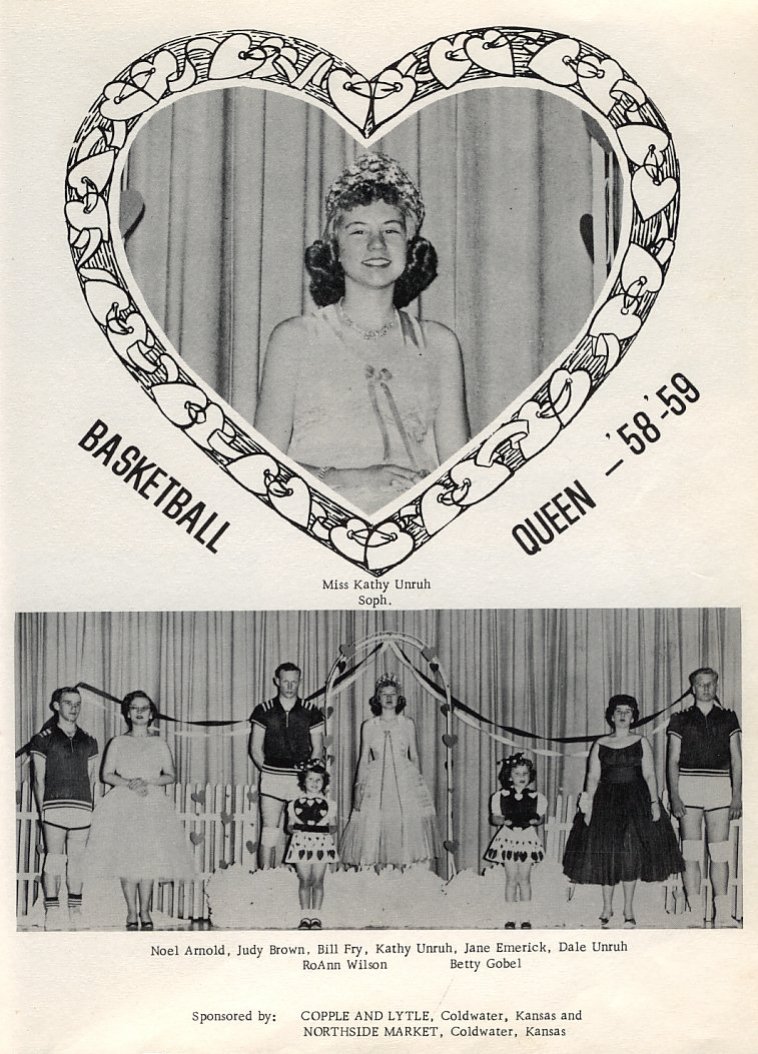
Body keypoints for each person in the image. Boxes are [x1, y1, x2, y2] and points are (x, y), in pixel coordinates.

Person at [254, 152, 470, 514]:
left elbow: (459, 476)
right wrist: (353, 479)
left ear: (410, 246)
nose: (377, 245)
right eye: (359, 231)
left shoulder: (439, 344)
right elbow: (259, 470)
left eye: (390, 230)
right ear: (335, 249)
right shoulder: (294, 339)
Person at [562, 694, 683, 928]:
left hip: (635, 802)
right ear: (611, 715)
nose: (623, 715)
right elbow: (593, 776)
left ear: (634, 716)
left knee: (629, 855)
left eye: (628, 711)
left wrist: (654, 803)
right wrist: (587, 807)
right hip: (606, 803)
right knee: (608, 853)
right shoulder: (600, 744)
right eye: (618, 711)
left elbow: (649, 774)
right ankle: (607, 907)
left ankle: (628, 909)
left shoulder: (641, 741)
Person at [84, 691, 195, 930]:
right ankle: (131, 912)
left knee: (148, 858)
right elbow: (106, 774)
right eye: (135, 707)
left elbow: (171, 775)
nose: (140, 712)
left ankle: (145, 911)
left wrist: (148, 782)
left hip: (152, 803)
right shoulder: (118, 742)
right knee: (127, 857)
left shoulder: (159, 743)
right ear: (127, 712)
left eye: (144, 708)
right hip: (124, 803)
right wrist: (130, 783)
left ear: (151, 713)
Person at [340, 673, 440, 869]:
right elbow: (363, 758)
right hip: (376, 780)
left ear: (399, 698)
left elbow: (415, 756)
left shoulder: (407, 723)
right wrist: (358, 788)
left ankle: (404, 869)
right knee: (375, 820)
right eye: (384, 694)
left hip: (404, 780)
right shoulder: (369, 726)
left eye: (392, 694)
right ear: (377, 698)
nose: (388, 698)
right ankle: (375, 871)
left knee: (404, 820)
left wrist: (417, 787)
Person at [667, 667, 742, 927]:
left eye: (710, 684)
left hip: (720, 786)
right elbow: (673, 760)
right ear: (693, 688)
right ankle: (694, 911)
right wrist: (675, 796)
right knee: (690, 852)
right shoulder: (680, 718)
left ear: (717, 685)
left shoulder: (729, 717)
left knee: (719, 852)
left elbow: (737, 760)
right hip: (689, 786)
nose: (706, 688)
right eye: (701, 684)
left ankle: (722, 913)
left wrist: (736, 796)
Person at [30, 686, 98, 929]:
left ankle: (76, 910)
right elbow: (39, 779)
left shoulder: (89, 740)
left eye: (77, 703)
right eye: (68, 702)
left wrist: (92, 808)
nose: (74, 707)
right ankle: (52, 911)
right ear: (56, 705)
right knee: (55, 860)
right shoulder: (43, 738)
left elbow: (91, 779)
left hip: (81, 807)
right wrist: (42, 812)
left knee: (77, 861)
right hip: (54, 806)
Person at [249, 663, 324, 869]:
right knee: (269, 830)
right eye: (285, 681)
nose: (290, 686)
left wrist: (306, 777)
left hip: (300, 780)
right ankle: (264, 879)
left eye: (294, 681)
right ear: (277, 681)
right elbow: (255, 749)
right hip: (272, 777)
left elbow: (317, 750)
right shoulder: (264, 710)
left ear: (300, 681)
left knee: (301, 830)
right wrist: (267, 771)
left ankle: (300, 878)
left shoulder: (311, 711)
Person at [484, 753, 546, 930]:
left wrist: (536, 821)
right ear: (509, 776)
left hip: (526, 839)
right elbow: (495, 818)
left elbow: (540, 818)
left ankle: (526, 918)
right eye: (517, 774)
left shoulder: (537, 797)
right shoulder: (500, 796)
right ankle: (510, 918)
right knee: (511, 879)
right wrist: (502, 821)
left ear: (530, 776)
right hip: (508, 839)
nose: (522, 777)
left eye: (525, 774)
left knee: (525, 879)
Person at [284, 760, 338, 931]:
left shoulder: (330, 805)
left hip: (321, 844)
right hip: (301, 844)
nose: (314, 784)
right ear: (303, 781)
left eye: (318, 780)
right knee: (305, 880)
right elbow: (289, 826)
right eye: (310, 780)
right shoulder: (294, 804)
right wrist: (295, 828)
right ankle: (304, 917)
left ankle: (316, 917)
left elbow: (334, 826)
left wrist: (325, 827)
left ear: (324, 783)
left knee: (318, 880)